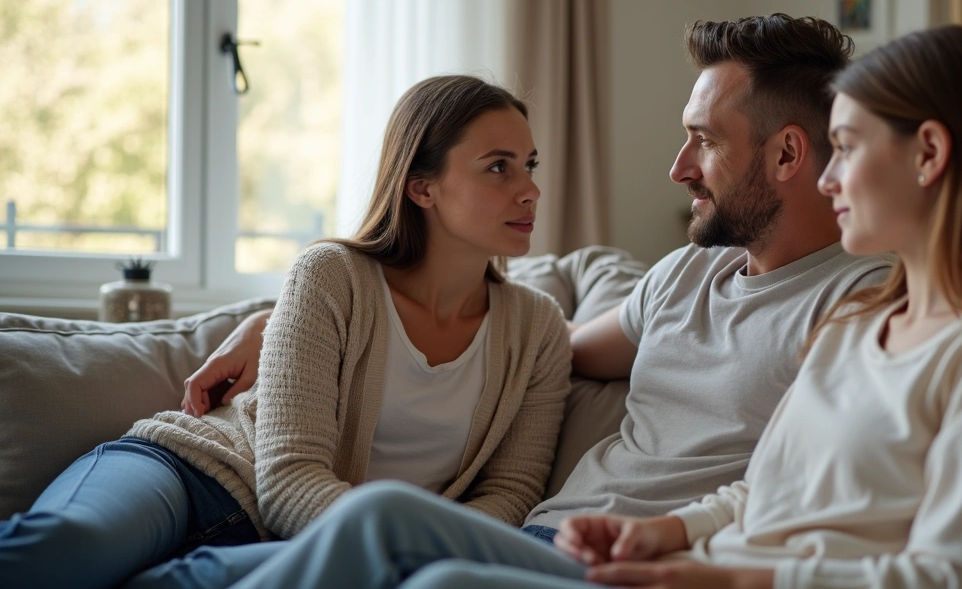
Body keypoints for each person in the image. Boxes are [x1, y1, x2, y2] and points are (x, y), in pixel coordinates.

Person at [213, 22, 962, 589]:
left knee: (388, 531)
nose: (837, 178)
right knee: (207, 570)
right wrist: (304, 317)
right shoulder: (861, 325)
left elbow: (955, 571)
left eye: (847, 149)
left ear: (926, 158)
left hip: (704, 578)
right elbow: (543, 349)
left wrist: (716, 574)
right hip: (625, 550)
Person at [152, 13, 893, 589]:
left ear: (788, 154)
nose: (677, 168)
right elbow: (538, 345)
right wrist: (282, 324)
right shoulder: (684, 277)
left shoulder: (864, 307)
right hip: (534, 538)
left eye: (702, 140)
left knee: (388, 527)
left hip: (626, 562)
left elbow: (807, 492)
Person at [0, 75, 573, 589]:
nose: (530, 189)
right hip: (193, 474)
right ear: (421, 187)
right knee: (64, 549)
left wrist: (411, 548)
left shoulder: (539, 327)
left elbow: (511, 493)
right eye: (499, 166)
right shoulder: (332, 274)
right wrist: (393, 539)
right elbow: (289, 480)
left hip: (318, 545)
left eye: (530, 164)